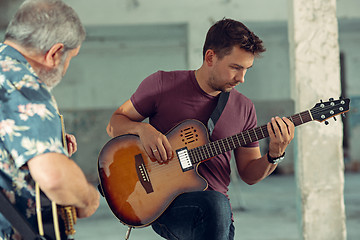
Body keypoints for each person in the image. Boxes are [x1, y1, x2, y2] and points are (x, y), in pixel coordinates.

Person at [106, 18, 295, 240]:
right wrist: (142, 130)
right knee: (216, 203)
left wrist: (275, 154)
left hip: (218, 217)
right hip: (166, 205)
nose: (242, 78)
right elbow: (114, 124)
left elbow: (249, 174)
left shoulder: (244, 108)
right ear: (210, 57)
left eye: (246, 69)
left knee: (216, 205)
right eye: (235, 68)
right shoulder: (162, 84)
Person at [0, 0, 99, 239]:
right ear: (55, 53)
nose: (65, 68)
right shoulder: (24, 83)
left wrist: (50, 144)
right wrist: (88, 198)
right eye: (69, 58)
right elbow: (53, 177)